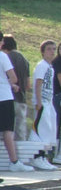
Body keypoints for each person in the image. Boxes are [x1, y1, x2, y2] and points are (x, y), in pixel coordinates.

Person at [0, 38, 33, 172]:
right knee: (8, 131)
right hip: (4, 97)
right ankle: (14, 161)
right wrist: (9, 84)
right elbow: (13, 77)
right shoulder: (3, 56)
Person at [29, 40, 59, 170]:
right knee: (41, 130)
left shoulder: (50, 67)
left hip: (48, 102)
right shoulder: (41, 65)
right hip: (42, 102)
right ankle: (36, 157)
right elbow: (38, 84)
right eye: (49, 49)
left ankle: (43, 157)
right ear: (43, 52)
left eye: (54, 49)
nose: (52, 52)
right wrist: (39, 102)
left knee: (49, 130)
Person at [1, 35, 30, 141]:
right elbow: (28, 84)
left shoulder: (4, 57)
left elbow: (10, 78)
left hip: (6, 99)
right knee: (20, 133)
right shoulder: (24, 59)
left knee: (5, 133)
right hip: (21, 99)